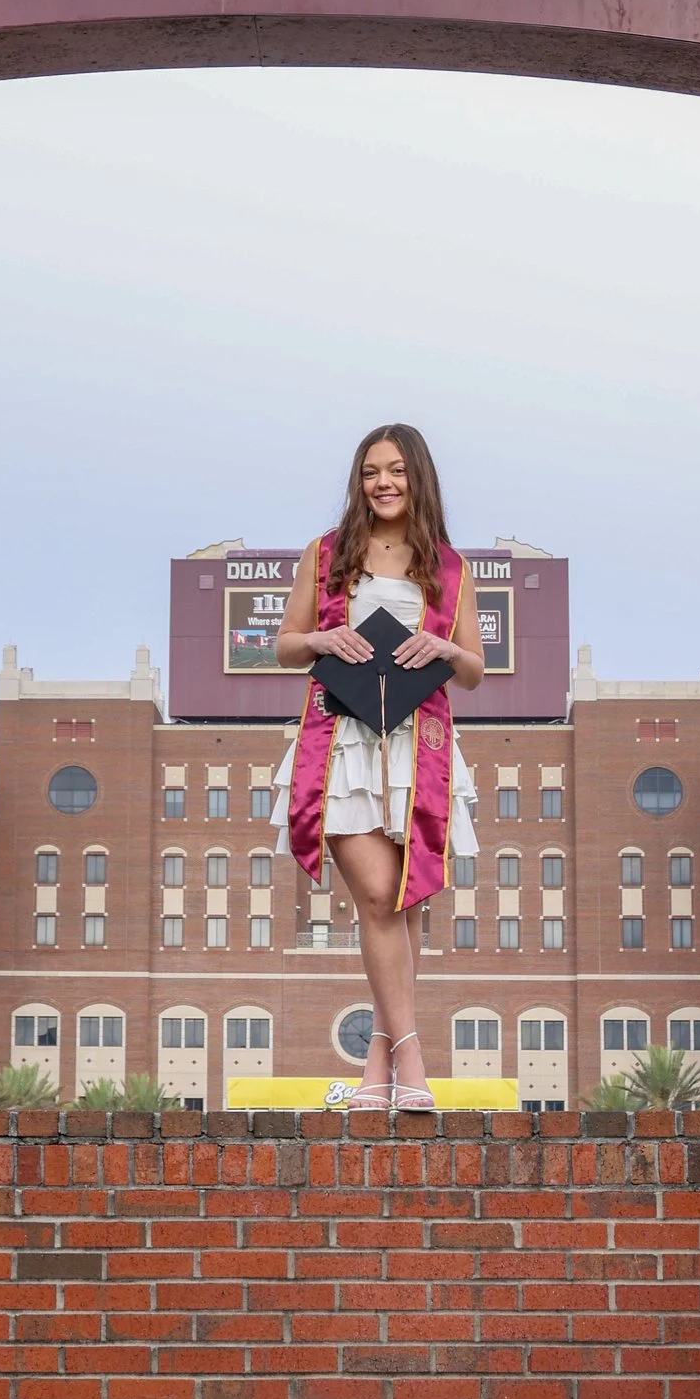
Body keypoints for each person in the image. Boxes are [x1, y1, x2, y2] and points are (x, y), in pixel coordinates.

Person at [272, 424, 483, 1117]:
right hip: (343, 744)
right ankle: (413, 1057)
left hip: (417, 748)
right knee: (377, 895)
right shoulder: (326, 554)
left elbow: (475, 671)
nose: (382, 483)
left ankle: (378, 1061)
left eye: (395, 470)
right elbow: (284, 648)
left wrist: (440, 647)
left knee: (407, 900)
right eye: (370, 472)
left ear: (417, 477)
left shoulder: (450, 569)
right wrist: (318, 637)